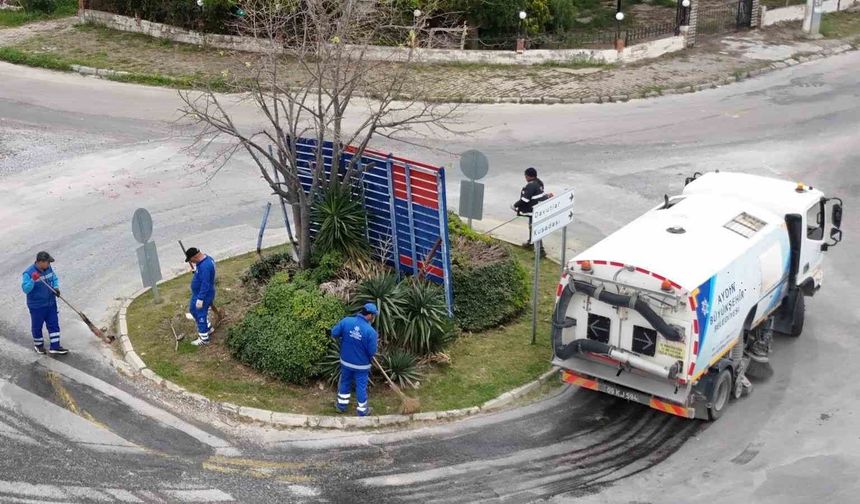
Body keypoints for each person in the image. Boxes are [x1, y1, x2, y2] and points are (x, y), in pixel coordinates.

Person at [331, 303, 379, 417]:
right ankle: (362, 411)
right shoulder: (371, 332)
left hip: (346, 362)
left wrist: (345, 336)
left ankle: (341, 406)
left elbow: (334, 333)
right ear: (369, 315)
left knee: (345, 382)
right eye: (374, 315)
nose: (374, 318)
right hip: (361, 366)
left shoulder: (346, 321)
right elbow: (372, 351)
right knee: (361, 387)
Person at [21, 251, 68, 355]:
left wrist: (56, 287)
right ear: (40, 262)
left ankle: (55, 347)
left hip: (51, 303)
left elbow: (54, 278)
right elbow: (26, 289)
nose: (49, 264)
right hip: (37, 306)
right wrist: (33, 280)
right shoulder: (28, 273)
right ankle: (39, 346)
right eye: (48, 262)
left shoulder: (48, 268)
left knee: (54, 324)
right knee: (37, 326)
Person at [512, 167, 553, 256]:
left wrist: (515, 206)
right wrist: (547, 196)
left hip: (534, 210)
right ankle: (531, 243)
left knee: (535, 229)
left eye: (525, 176)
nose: (525, 178)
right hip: (539, 209)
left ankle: (540, 251)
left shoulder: (530, 185)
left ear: (528, 176)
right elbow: (538, 195)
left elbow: (525, 200)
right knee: (532, 227)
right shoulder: (539, 182)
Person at [185, 247, 216, 346]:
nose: (191, 262)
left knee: (200, 314)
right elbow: (203, 275)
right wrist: (197, 272)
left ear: (195, 257)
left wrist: (201, 298)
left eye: (191, 260)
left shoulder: (205, 266)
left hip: (203, 294)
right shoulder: (204, 261)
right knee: (193, 310)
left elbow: (205, 283)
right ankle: (208, 328)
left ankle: (204, 339)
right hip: (197, 293)